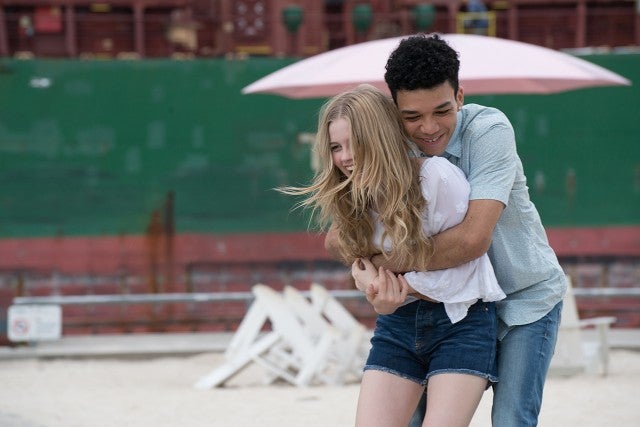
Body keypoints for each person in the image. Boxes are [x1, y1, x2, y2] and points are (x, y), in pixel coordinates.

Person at [281, 84, 505, 427]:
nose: (345, 157)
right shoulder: (352, 195)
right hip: (397, 325)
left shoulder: (435, 177)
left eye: (354, 143)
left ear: (380, 137)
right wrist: (378, 294)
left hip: (461, 322)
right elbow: (350, 253)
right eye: (336, 147)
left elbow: (466, 263)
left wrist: (392, 285)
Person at [376, 34, 566, 426]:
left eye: (442, 111)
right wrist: (366, 265)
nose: (429, 127)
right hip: (452, 305)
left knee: (511, 419)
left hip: (523, 299)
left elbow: (472, 240)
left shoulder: (489, 129)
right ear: (394, 110)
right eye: (412, 117)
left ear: (460, 96)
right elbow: (339, 237)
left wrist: (383, 260)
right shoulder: (390, 146)